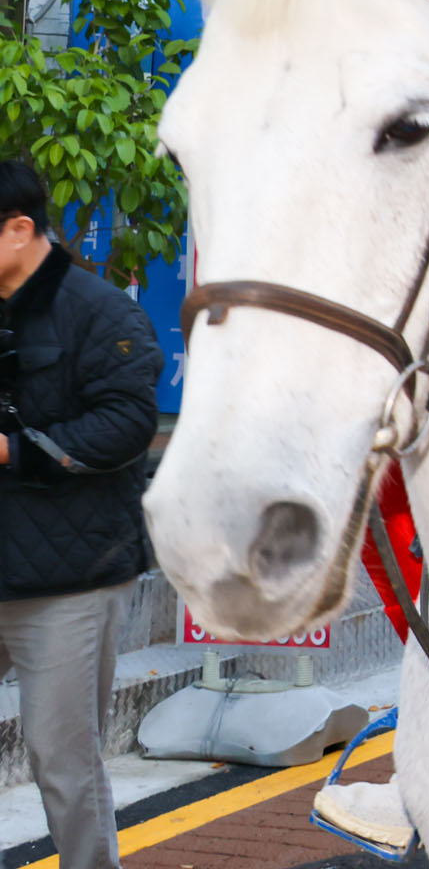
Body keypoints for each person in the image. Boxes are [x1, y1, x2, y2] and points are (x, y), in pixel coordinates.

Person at [0, 162, 163, 869]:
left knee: (62, 762)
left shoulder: (101, 311)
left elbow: (129, 424)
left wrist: (17, 452)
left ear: (19, 229)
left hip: (71, 577)